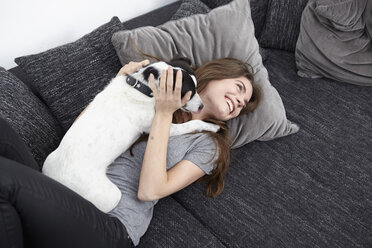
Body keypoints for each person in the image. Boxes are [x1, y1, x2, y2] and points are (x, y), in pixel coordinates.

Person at [0, 57, 262, 248]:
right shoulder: (153, 87)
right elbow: (81, 134)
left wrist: (163, 112)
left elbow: (149, 191)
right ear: (217, 73)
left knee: (5, 179)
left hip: (112, 224)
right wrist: (117, 85)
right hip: (69, 188)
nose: (239, 102)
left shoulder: (209, 144)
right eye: (239, 89)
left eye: (243, 106)